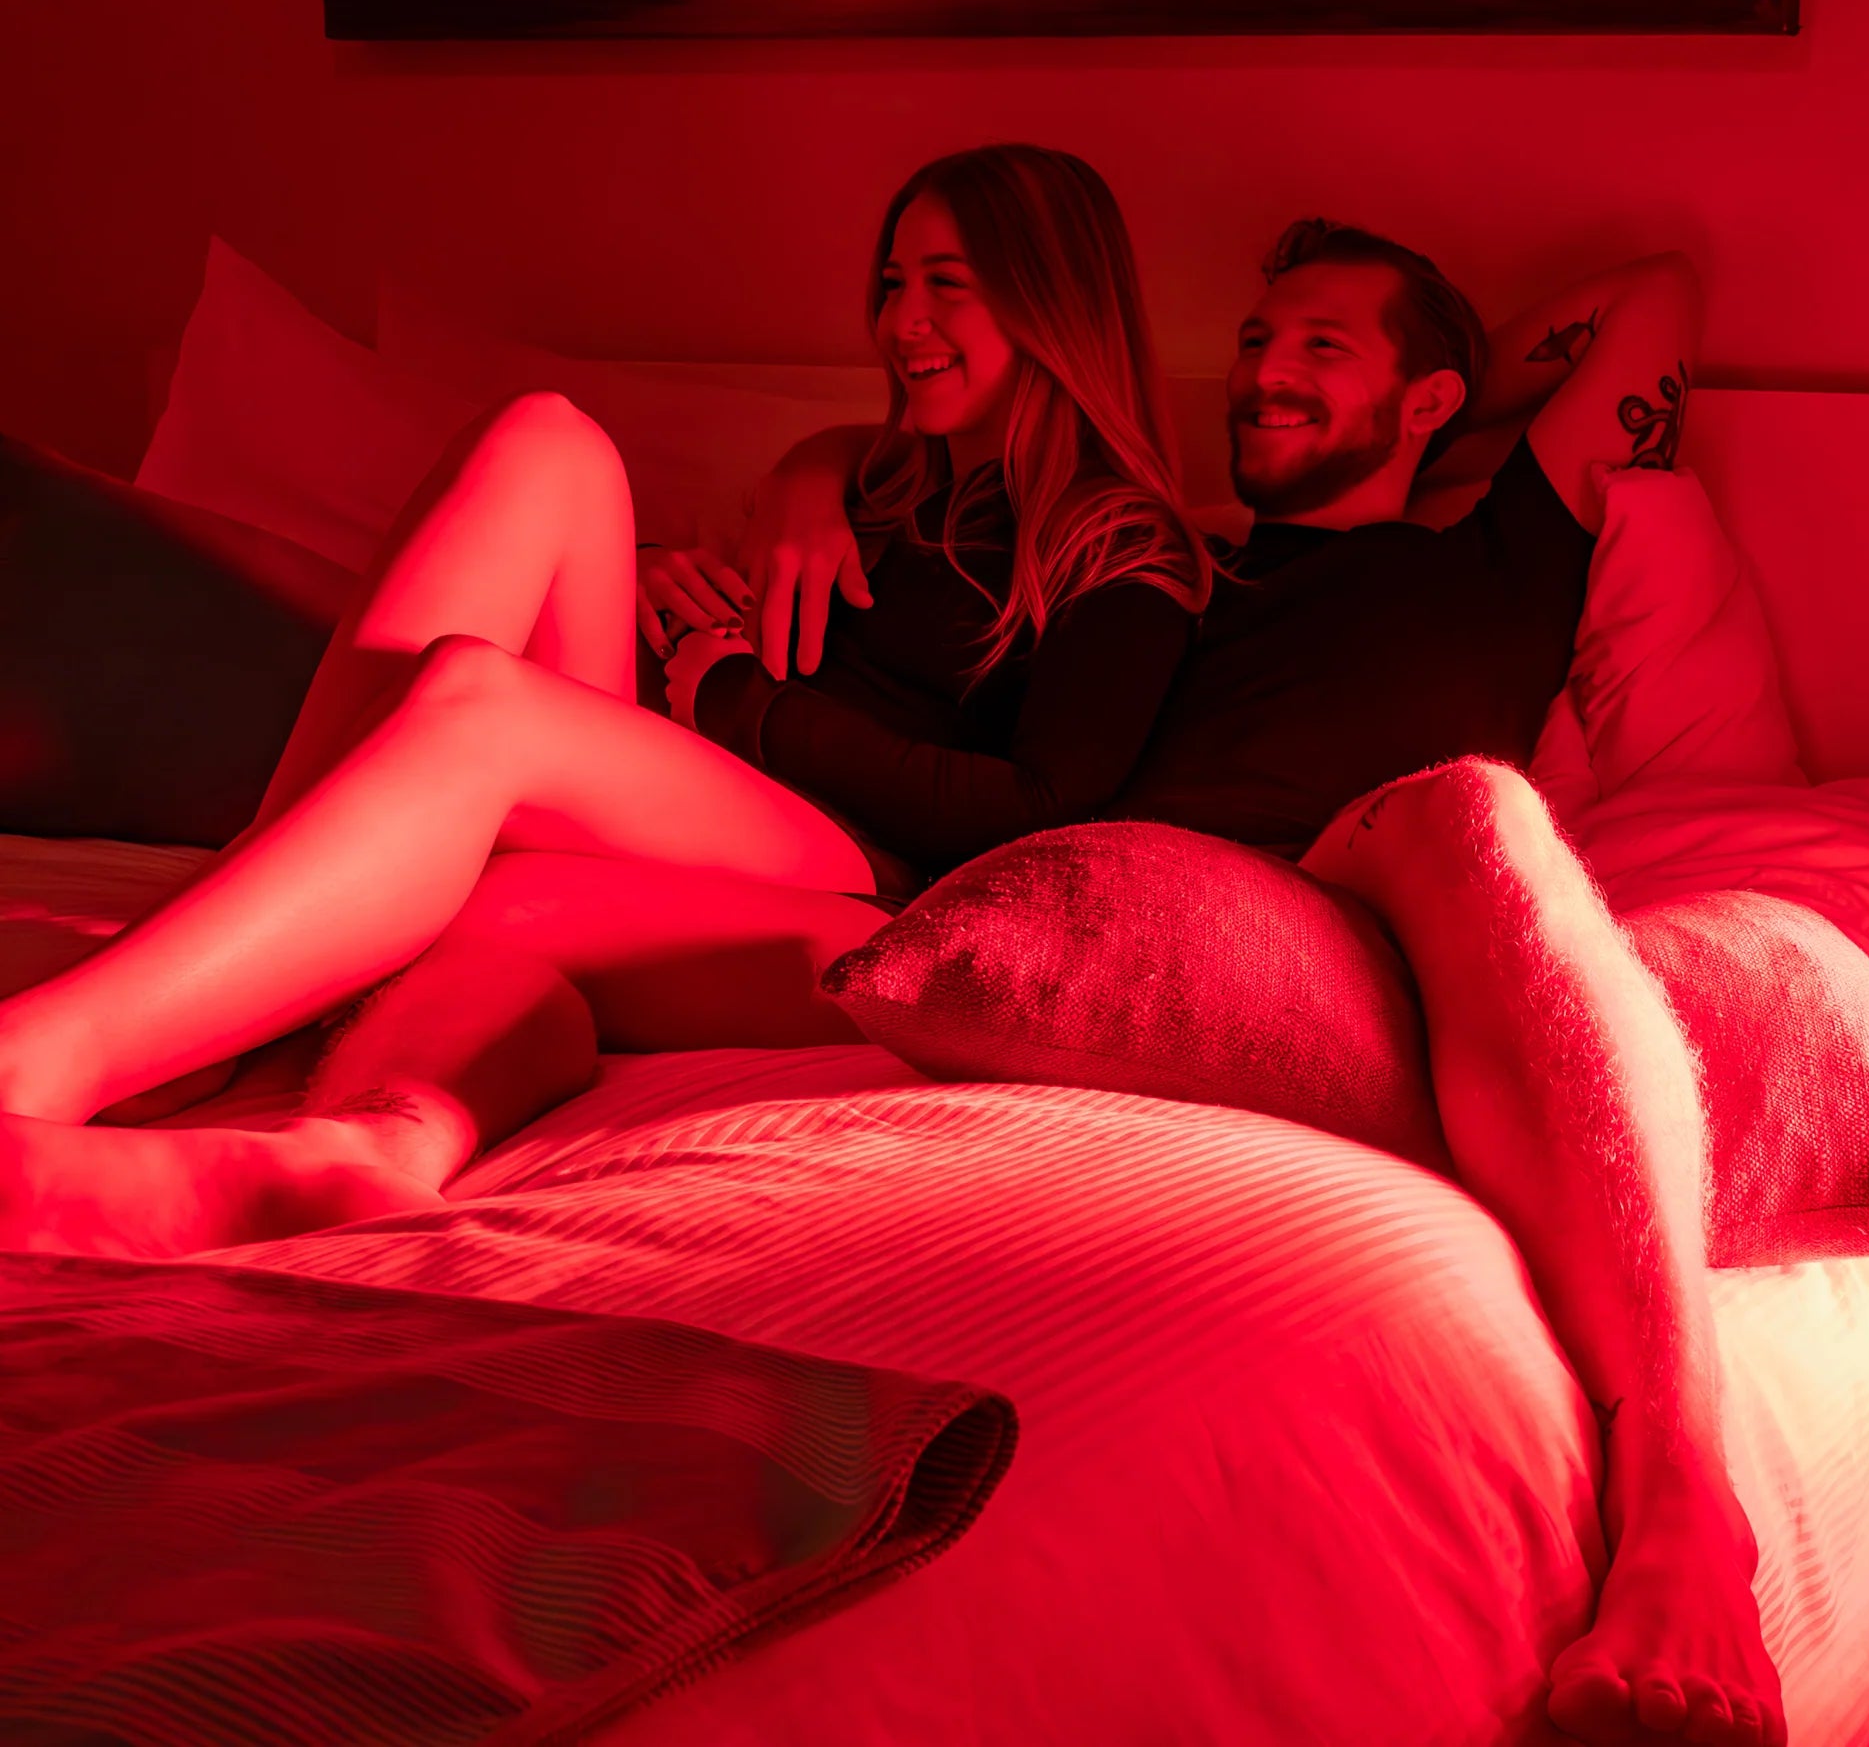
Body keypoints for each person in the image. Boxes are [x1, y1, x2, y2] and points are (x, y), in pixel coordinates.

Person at [762, 219, 1772, 1747]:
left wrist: (1453, 391)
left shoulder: (1497, 547)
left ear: (1430, 400)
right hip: (1090, 917)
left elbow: (1655, 299)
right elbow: (940, 474)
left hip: (1354, 908)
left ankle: (1688, 1491)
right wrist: (801, 473)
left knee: (1476, 814)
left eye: (1318, 347)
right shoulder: (1149, 558)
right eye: (1251, 345)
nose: (1263, 377)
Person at [0, 143, 1210, 1252]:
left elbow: (1036, 812)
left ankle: (57, 1050)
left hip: (873, 872)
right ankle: (347, 1143)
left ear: (1053, 299)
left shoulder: (1125, 553)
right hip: (719, 794)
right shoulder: (878, 480)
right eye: (894, 284)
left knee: (477, 703)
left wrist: (742, 698)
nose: (906, 322)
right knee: (549, 440)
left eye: (949, 284)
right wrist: (690, 585)